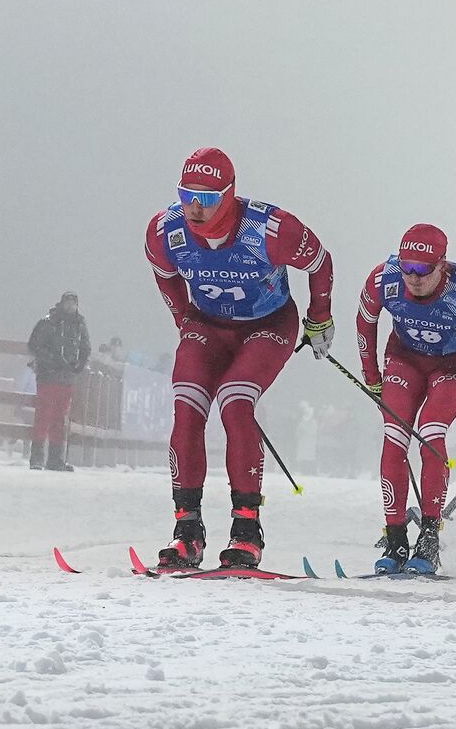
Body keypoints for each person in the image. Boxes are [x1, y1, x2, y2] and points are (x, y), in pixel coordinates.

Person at [144, 147, 335, 571]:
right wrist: (184, 322)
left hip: (267, 325)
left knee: (235, 400)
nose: (194, 207)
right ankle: (186, 531)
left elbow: (320, 262)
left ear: (229, 195)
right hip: (207, 325)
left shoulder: (270, 229)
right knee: (187, 409)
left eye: (207, 199)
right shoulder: (164, 230)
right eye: (186, 195)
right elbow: (165, 274)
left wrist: (319, 318)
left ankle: (246, 530)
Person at [356, 224, 456, 574]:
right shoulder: (385, 279)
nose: (412, 277)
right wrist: (371, 375)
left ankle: (429, 536)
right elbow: (365, 319)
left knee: (430, 433)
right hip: (405, 358)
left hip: (454, 362)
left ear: (442, 264)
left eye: (422, 269)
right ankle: (395, 538)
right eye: (406, 266)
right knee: (395, 437)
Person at [27, 291, 91, 470]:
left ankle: (55, 458)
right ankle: (37, 457)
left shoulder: (79, 324)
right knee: (43, 415)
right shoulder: (49, 322)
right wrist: (53, 361)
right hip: (48, 376)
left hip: (67, 378)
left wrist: (79, 364)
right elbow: (35, 345)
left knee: (60, 418)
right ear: (62, 303)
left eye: (73, 303)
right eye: (68, 302)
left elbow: (85, 347)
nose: (70, 306)